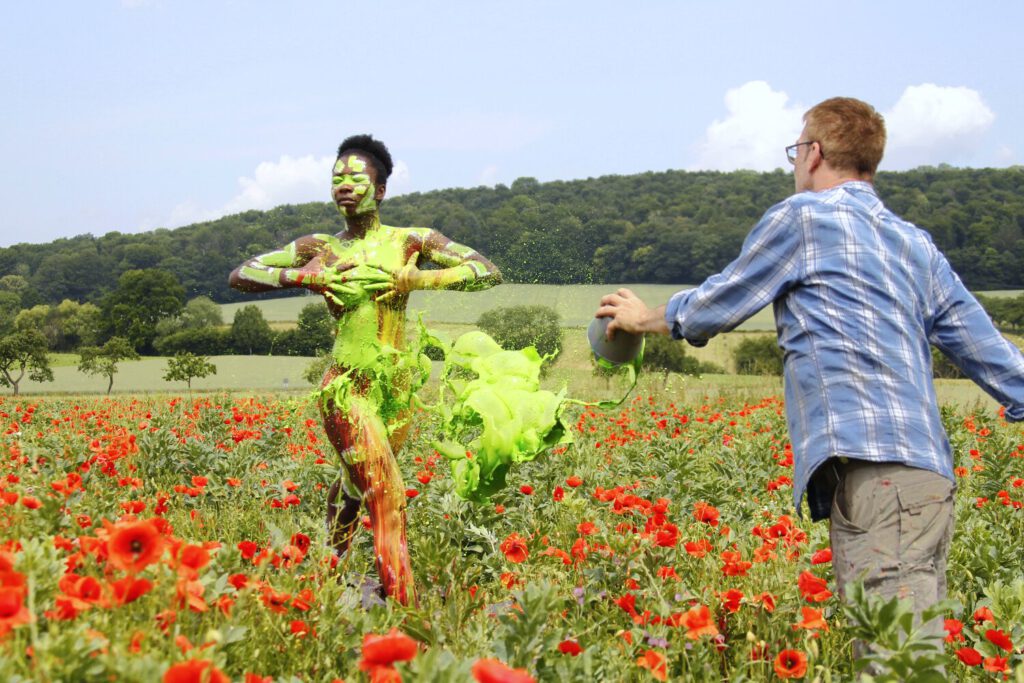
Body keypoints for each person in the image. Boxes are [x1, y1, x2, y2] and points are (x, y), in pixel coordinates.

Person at [595, 98, 1024, 657]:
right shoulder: (918, 247)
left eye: (797, 150)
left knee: (896, 662)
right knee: (910, 653)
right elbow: (997, 360)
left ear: (814, 153)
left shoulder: (802, 217)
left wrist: (641, 319)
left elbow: (718, 304)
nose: (796, 163)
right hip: (926, 483)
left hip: (878, 480)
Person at [230, 134, 502, 605]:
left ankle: (328, 574)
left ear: (380, 191)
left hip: (396, 393)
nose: (344, 187)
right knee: (385, 490)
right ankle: (405, 612)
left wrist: (420, 276)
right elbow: (243, 273)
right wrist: (304, 276)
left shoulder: (410, 241)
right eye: (336, 179)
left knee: (357, 485)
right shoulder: (320, 248)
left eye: (357, 178)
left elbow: (485, 271)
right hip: (347, 389)